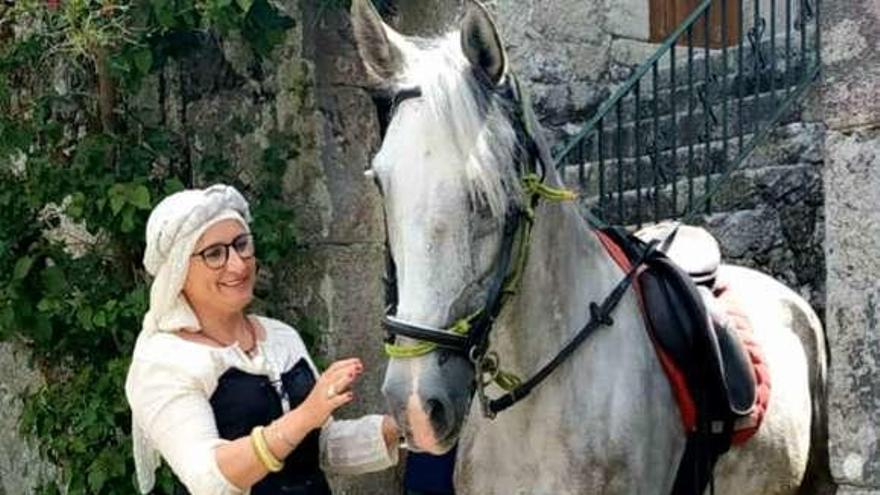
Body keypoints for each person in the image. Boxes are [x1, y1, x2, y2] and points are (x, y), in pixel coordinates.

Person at [125, 184, 399, 495]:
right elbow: (208, 478)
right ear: (178, 270)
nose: (238, 264)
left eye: (242, 244)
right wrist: (306, 414)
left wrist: (403, 428)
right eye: (214, 254)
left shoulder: (280, 338)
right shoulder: (164, 360)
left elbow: (321, 447)